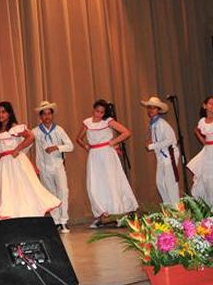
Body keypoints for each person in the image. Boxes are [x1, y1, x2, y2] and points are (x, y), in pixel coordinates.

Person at [0, 101, 61, 219]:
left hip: (17, 162)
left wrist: (17, 150)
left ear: (9, 113)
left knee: (26, 190)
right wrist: (0, 159)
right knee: (9, 192)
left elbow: (30, 137)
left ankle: (32, 216)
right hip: (5, 165)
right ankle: (15, 218)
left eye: (3, 112)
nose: (0, 115)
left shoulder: (15, 128)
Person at [76, 100, 137, 228]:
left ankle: (118, 215)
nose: (99, 114)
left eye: (101, 112)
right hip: (94, 155)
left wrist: (113, 142)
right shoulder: (87, 122)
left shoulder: (108, 121)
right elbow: (78, 138)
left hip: (107, 154)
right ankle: (100, 215)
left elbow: (126, 132)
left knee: (111, 183)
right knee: (94, 185)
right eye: (97, 111)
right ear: (93, 109)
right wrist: (86, 146)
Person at [32, 101, 73, 233]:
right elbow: (26, 145)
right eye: (44, 114)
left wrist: (57, 147)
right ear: (40, 116)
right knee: (50, 194)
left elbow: (70, 146)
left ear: (52, 115)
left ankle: (64, 220)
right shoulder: (36, 131)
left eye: (49, 113)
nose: (47, 117)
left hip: (58, 166)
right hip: (44, 167)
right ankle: (55, 221)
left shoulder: (59, 130)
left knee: (63, 192)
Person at [141, 96, 180, 204]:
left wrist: (152, 146)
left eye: (154, 108)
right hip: (161, 157)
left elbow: (170, 140)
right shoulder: (153, 124)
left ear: (158, 110)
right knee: (160, 183)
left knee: (170, 183)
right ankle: (168, 207)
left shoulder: (162, 124)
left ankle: (176, 210)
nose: (151, 110)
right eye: (149, 107)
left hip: (169, 155)